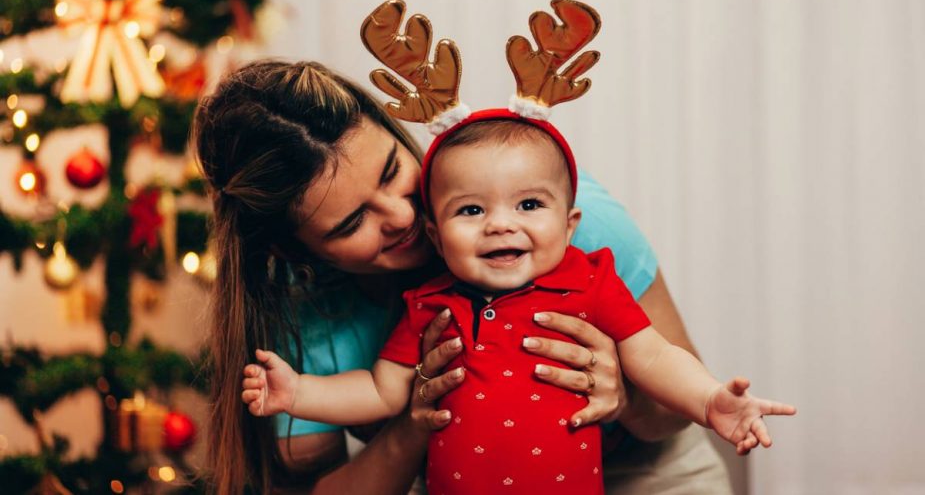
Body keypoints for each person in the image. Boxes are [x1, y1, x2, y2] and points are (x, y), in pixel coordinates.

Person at [194, 60, 735, 494]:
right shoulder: (310, 315)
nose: (401, 216)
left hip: (645, 471)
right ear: (296, 253)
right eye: (353, 221)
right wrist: (415, 419)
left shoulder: (561, 222)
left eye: (391, 172)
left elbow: (674, 391)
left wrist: (626, 398)